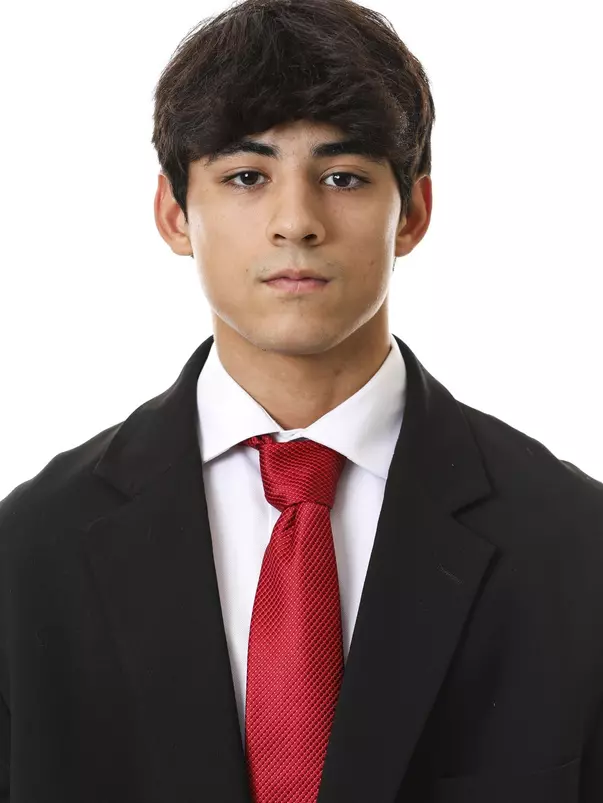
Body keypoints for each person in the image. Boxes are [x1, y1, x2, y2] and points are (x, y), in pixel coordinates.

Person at [1, 0, 601, 800]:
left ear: (412, 214)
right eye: (246, 177)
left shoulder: (575, 546)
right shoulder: (29, 550)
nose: (296, 222)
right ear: (174, 214)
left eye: (342, 176)